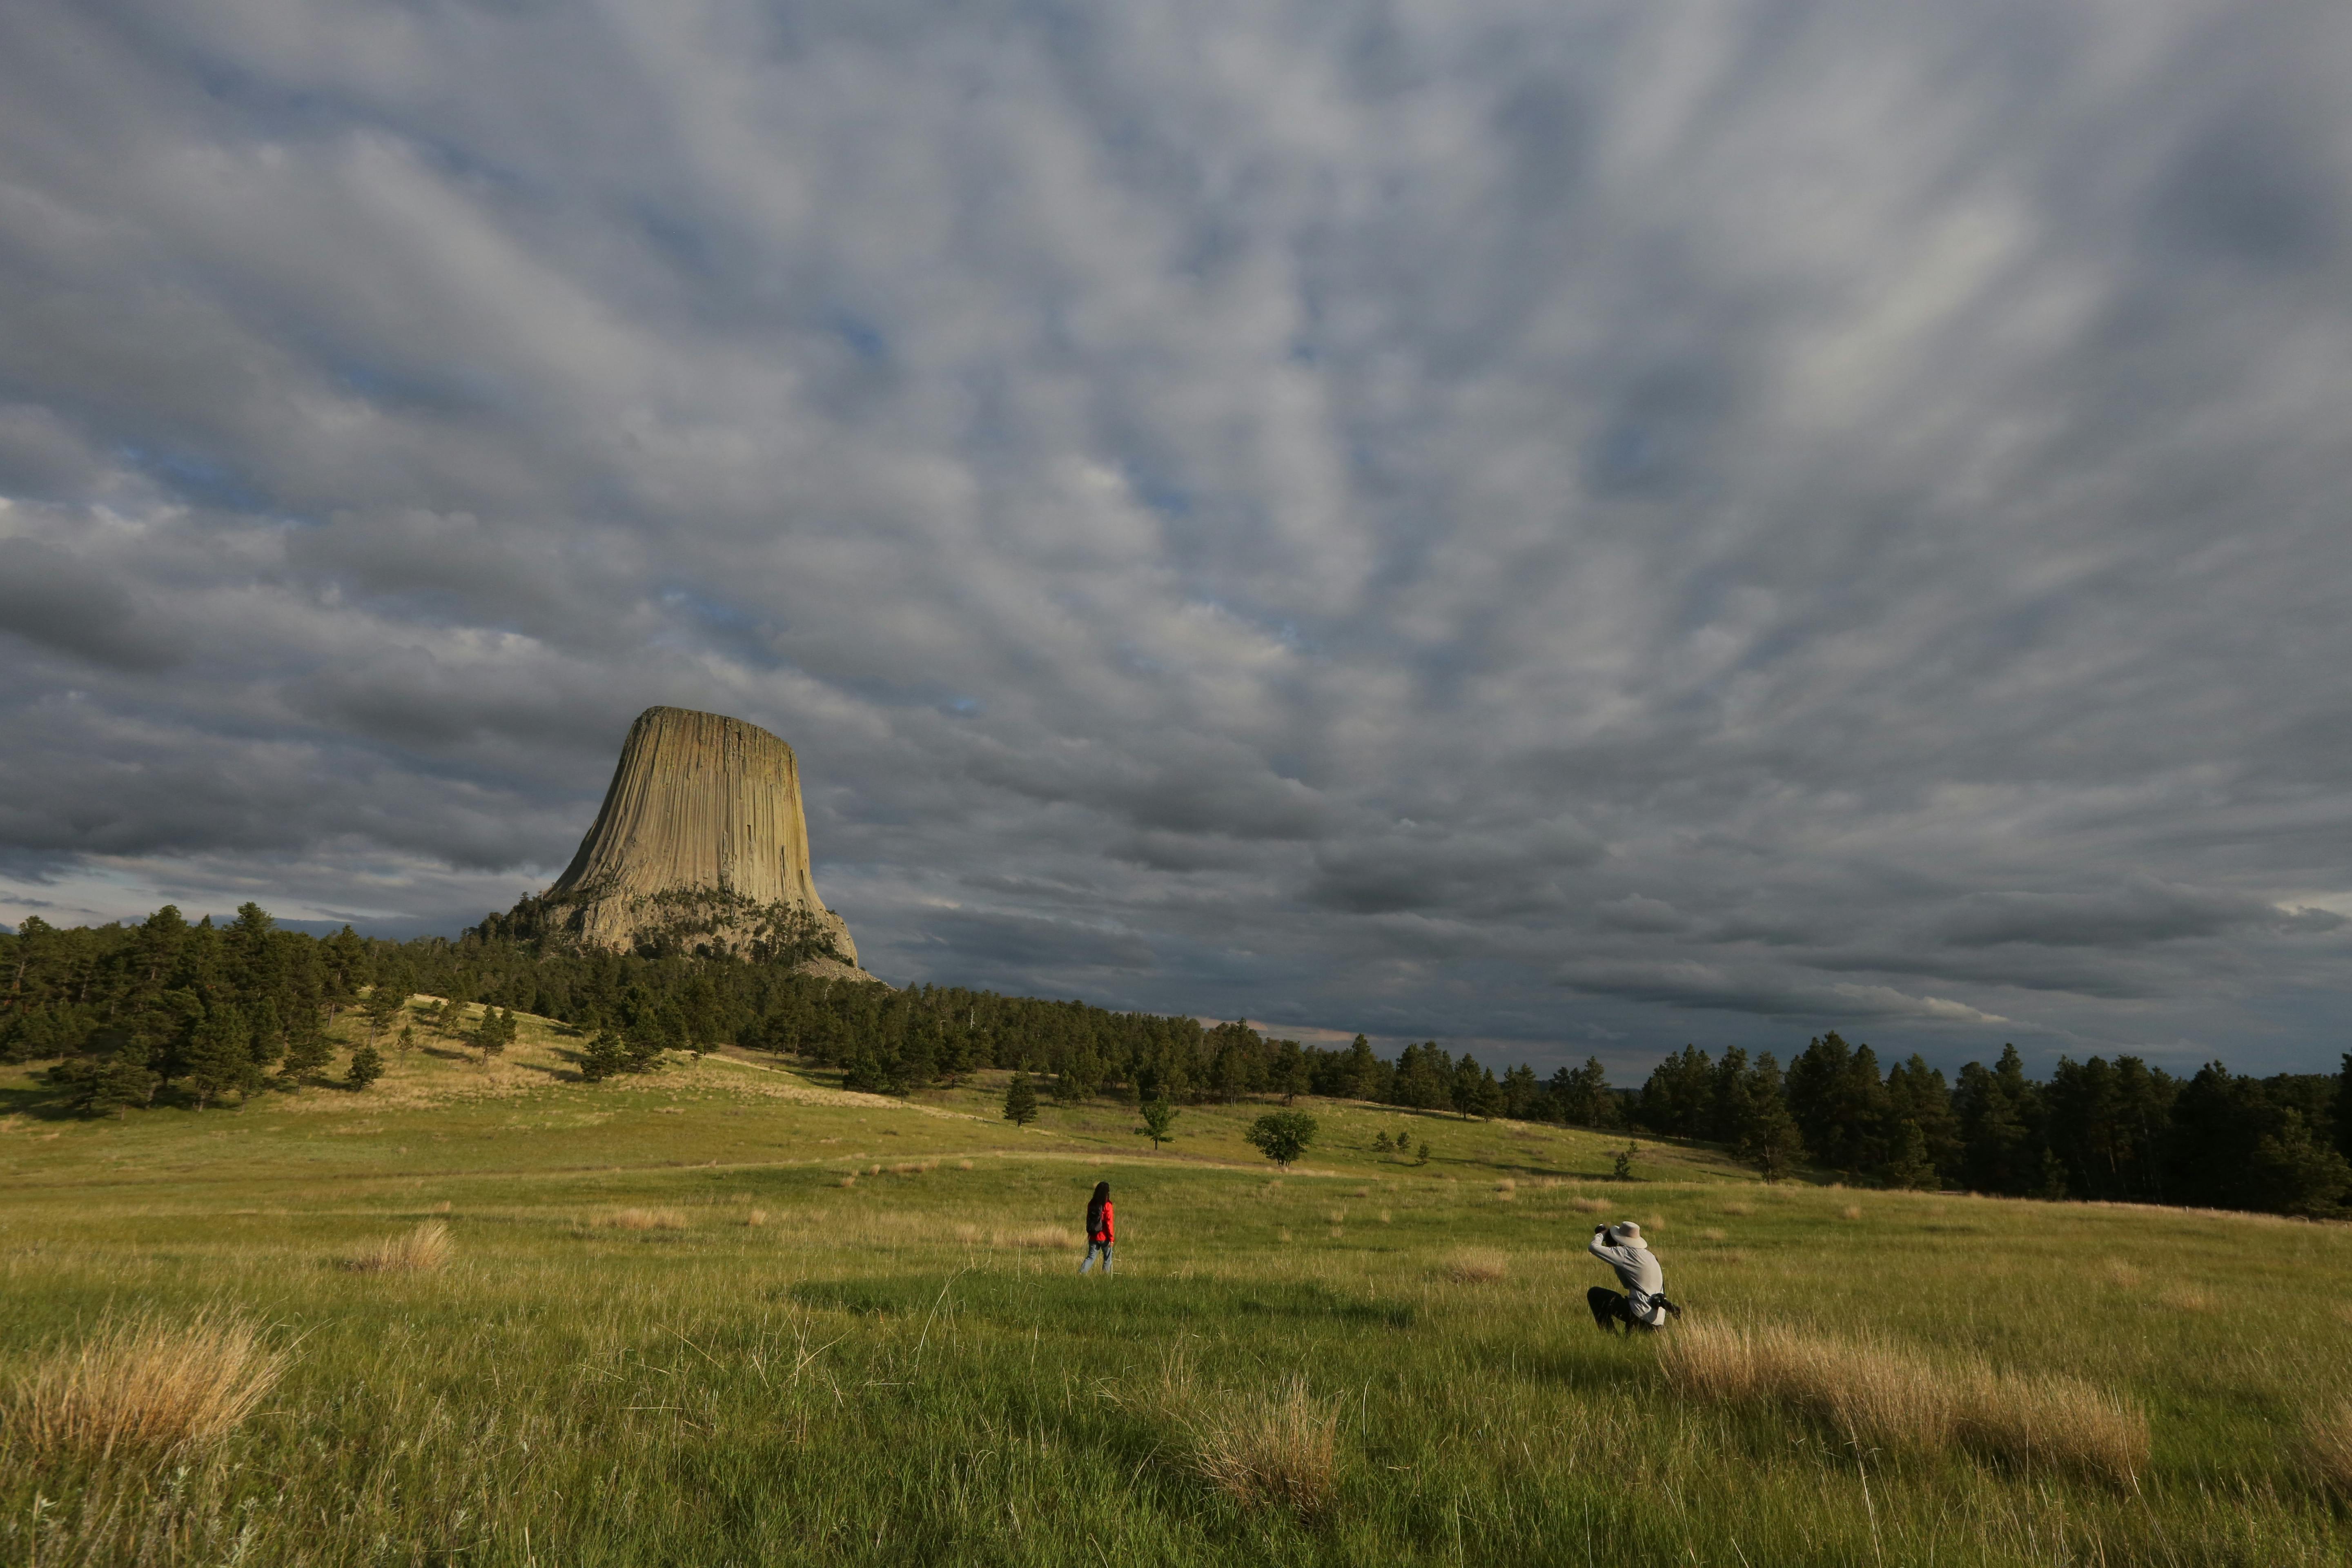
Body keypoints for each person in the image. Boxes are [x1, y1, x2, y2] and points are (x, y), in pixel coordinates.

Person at [1586, 1220, 1674, 1333]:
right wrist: (1615, 1261)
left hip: (1639, 1313)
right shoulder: (1650, 1255)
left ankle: (1610, 1336)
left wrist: (1601, 1234)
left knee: (1594, 1294)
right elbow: (1627, 1284)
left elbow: (1593, 1247)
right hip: (1657, 1319)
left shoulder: (1626, 1253)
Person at [1080, 1181, 1114, 1275]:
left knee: (1090, 1258)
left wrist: (1090, 1234)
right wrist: (1111, 1239)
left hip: (1093, 1236)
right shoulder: (1108, 1205)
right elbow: (1109, 1223)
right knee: (1107, 1258)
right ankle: (1104, 1277)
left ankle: (1080, 1274)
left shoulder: (1091, 1204)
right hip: (1105, 1237)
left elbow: (1089, 1219)